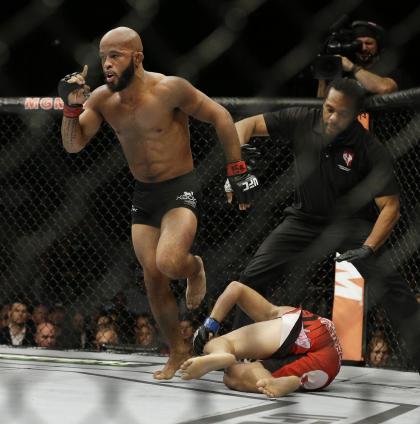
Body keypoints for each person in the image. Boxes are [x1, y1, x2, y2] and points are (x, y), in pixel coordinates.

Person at [57, 26, 258, 379]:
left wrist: (236, 171)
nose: (107, 63)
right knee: (152, 277)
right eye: (103, 57)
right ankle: (177, 350)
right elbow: (73, 145)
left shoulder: (170, 89)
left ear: (137, 57)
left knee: (169, 261)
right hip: (144, 194)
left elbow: (221, 116)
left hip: (179, 187)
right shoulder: (103, 99)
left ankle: (194, 267)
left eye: (115, 55)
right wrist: (71, 109)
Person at [231, 78, 420, 373]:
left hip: (348, 226)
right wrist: (238, 167)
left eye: (340, 113)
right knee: (252, 276)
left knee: (392, 285)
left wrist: (369, 248)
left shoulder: (369, 147)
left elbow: (390, 207)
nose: (331, 117)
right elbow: (244, 125)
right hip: (302, 219)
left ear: (356, 114)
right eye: (328, 109)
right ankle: (235, 350)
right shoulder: (302, 119)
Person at [180, 281, 342, 398]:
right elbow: (236, 287)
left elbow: (236, 288)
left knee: (220, 345)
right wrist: (212, 323)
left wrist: (210, 327)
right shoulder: (277, 316)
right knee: (233, 374)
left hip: (308, 329)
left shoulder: (274, 313)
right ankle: (275, 383)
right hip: (330, 366)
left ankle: (218, 351)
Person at [317, 21, 399, 97]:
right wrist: (322, 78)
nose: (363, 48)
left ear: (378, 46)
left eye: (368, 43)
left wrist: (353, 68)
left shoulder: (389, 69)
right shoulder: (345, 74)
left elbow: (387, 89)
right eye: (358, 44)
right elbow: (322, 105)